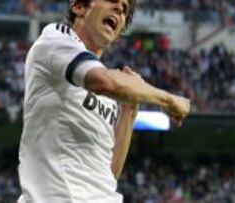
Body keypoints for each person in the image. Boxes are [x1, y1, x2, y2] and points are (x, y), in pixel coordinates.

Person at [17, 0, 190, 202]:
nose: (119, 8)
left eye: (125, 8)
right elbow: (102, 82)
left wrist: (129, 110)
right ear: (79, 6)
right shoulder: (55, 39)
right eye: (112, 0)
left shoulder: (109, 98)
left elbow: (109, 175)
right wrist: (168, 99)